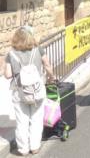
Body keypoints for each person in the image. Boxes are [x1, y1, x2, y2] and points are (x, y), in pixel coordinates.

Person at [3, 26, 55, 156]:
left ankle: (23, 149)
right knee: (36, 119)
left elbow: (8, 75)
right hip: (37, 91)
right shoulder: (38, 50)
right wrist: (51, 77)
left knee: (22, 121)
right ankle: (35, 146)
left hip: (19, 92)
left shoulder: (11, 54)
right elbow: (47, 65)